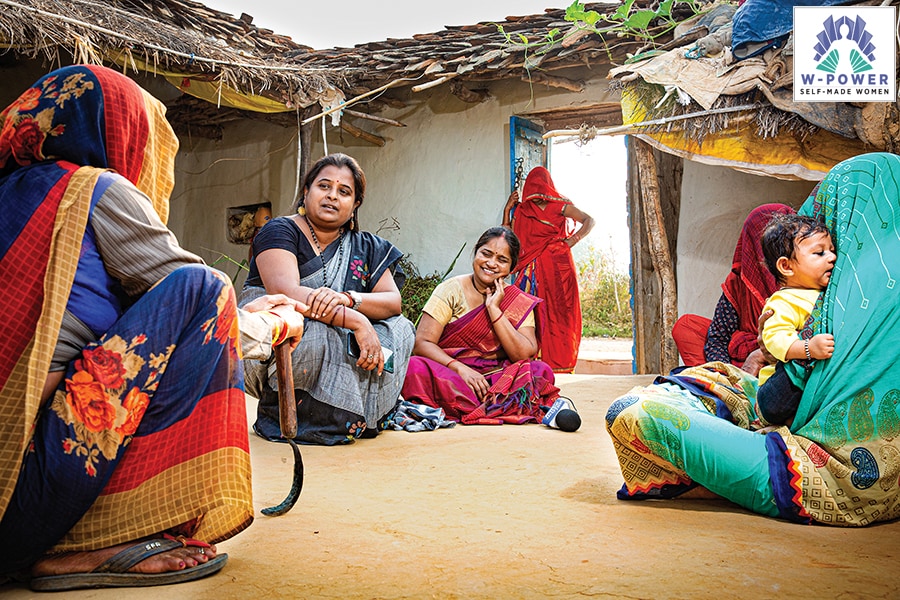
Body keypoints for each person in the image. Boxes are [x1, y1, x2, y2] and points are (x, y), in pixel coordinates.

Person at [0, 65, 306, 590]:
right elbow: (202, 311)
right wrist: (274, 324)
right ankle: (88, 544)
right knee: (203, 286)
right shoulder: (89, 190)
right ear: (117, 130)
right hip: (20, 501)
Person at [605, 152, 900, 526]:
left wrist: (773, 351)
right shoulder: (848, 285)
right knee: (696, 341)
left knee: (634, 414)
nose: (830, 254)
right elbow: (720, 338)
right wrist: (758, 349)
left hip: (823, 466)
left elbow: (786, 381)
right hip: (770, 363)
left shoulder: (833, 292)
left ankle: (715, 478)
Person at [241, 153, 415, 445]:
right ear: (306, 191)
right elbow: (286, 293)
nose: (332, 196)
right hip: (283, 343)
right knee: (318, 330)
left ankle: (366, 416)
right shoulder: (280, 231)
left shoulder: (369, 246)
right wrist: (358, 321)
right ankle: (296, 417)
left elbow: (392, 302)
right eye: (324, 186)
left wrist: (348, 299)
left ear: (355, 204)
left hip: (342, 319)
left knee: (400, 328)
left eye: (344, 191)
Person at [401, 227, 560, 424]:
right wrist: (460, 369)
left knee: (540, 370)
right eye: (486, 254)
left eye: (502, 260)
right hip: (453, 375)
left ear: (511, 267)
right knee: (413, 368)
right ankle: (498, 406)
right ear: (475, 253)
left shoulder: (517, 301)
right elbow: (422, 343)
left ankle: (468, 406)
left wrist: (494, 309)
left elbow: (523, 354)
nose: (491, 264)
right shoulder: (451, 289)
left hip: (497, 377)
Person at [671, 203, 796, 376]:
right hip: (739, 363)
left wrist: (761, 353)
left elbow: (808, 336)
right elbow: (718, 338)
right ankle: (724, 387)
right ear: (753, 245)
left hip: (784, 358)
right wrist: (727, 375)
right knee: (686, 327)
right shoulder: (739, 281)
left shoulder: (802, 276)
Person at [503, 166, 594, 373]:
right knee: (526, 312)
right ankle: (529, 360)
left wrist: (571, 241)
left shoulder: (560, 206)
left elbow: (590, 220)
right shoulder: (523, 210)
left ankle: (560, 362)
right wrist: (507, 210)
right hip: (530, 270)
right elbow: (506, 236)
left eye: (540, 188)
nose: (537, 194)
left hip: (558, 268)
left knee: (561, 313)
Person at [756, 213, 836, 426]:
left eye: (832, 251)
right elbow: (775, 338)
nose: (831, 257)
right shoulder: (783, 300)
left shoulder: (826, 293)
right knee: (777, 403)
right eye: (819, 253)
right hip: (775, 391)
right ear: (787, 266)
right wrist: (808, 348)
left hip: (810, 382)